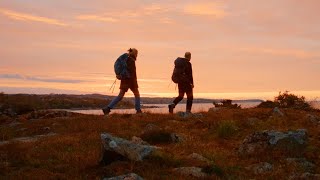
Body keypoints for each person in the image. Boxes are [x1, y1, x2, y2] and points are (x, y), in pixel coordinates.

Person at [102, 48, 142, 114]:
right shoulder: (131, 60)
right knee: (137, 94)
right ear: (134, 53)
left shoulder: (126, 59)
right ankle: (138, 110)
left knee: (120, 96)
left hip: (124, 80)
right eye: (137, 53)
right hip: (130, 81)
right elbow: (132, 72)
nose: (137, 55)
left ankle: (107, 108)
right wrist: (133, 82)